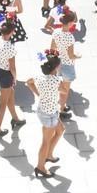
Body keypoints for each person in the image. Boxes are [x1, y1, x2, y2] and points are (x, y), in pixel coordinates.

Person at [27, 49, 67, 178]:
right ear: (56, 67)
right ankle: (40, 167)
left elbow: (28, 82)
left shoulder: (39, 77)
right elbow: (65, 91)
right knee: (45, 141)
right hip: (48, 114)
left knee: (60, 130)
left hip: (47, 110)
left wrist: (38, 93)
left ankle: (49, 155)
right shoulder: (56, 81)